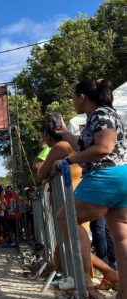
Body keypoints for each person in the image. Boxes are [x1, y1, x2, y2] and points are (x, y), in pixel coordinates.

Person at [55, 79, 127, 299]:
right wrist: (66, 134)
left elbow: (103, 148)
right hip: (121, 176)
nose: (73, 102)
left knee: (66, 218)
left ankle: (85, 279)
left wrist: (67, 160)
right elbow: (87, 147)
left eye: (73, 98)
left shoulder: (100, 114)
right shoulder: (102, 116)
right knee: (122, 237)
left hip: (103, 177)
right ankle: (124, 297)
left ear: (82, 97)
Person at [38, 122, 118, 290]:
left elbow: (41, 173)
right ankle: (79, 275)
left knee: (74, 239)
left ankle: (89, 277)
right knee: (69, 240)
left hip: (75, 196)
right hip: (79, 194)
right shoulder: (75, 142)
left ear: (48, 135)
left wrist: (50, 168)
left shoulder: (61, 146)